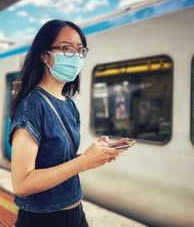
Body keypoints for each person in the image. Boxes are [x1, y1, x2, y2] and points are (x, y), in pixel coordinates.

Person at [9, 19, 128, 227]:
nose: (76, 56)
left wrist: (93, 156)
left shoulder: (69, 104)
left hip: (74, 213)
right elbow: (22, 184)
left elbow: (58, 161)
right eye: (66, 48)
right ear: (45, 55)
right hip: (42, 220)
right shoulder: (32, 106)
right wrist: (82, 163)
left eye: (80, 50)